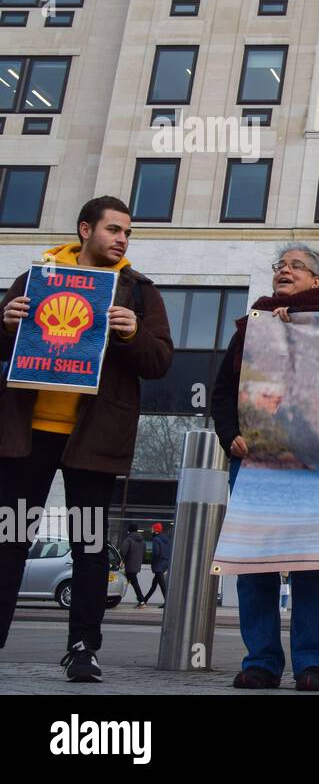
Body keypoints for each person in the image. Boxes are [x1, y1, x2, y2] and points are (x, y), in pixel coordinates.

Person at [0, 195, 173, 682]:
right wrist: (5, 322)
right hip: (25, 436)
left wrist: (133, 332)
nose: (122, 239)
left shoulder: (139, 291)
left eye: (127, 233)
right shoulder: (36, 277)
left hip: (93, 440)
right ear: (84, 230)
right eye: (114, 230)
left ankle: (83, 649)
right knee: (10, 538)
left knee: (90, 545)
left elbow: (159, 362)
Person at [212, 242, 319, 692]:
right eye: (280, 266)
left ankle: (312, 666)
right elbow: (223, 393)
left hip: (310, 466)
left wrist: (301, 335)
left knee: (310, 566)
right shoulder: (251, 328)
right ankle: (261, 661)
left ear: (316, 282)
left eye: (296, 267)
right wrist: (231, 437)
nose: (285, 271)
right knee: (255, 566)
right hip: (254, 463)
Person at [141, 522, 170, 605]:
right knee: (155, 583)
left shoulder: (156, 539)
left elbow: (156, 553)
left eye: (152, 529)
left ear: (156, 530)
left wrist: (152, 561)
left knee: (162, 584)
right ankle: (145, 600)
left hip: (158, 564)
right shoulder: (167, 539)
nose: (151, 530)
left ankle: (167, 602)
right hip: (165, 563)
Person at [118, 525, 146, 607]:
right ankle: (141, 600)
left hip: (129, 565)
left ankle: (142, 600)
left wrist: (121, 559)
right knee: (131, 581)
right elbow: (144, 553)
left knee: (129, 581)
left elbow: (123, 551)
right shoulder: (142, 541)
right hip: (137, 565)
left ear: (129, 531)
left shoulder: (128, 540)